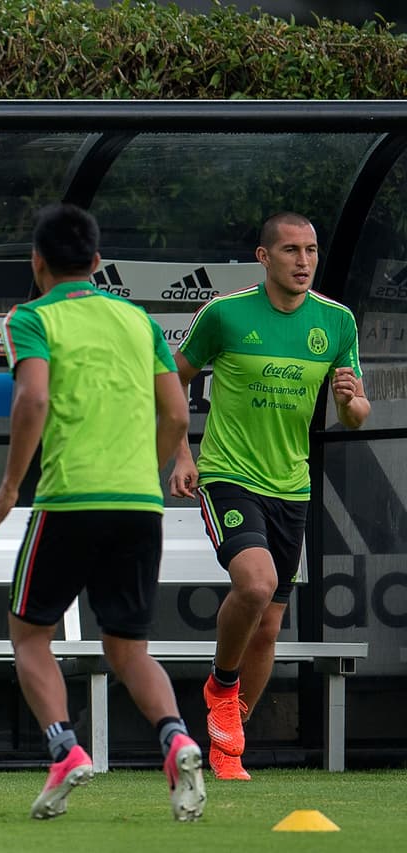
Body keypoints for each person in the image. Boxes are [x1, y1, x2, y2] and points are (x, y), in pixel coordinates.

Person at [0, 203, 205, 822]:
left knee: (29, 635)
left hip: (70, 499)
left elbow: (35, 396)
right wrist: (144, 475)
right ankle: (178, 738)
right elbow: (179, 417)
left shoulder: (30, 317)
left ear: (37, 263)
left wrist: (8, 488)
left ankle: (64, 749)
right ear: (98, 263)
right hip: (138, 505)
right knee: (129, 649)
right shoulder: (137, 319)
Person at [169, 212, 370, 781]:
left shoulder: (336, 322)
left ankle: (228, 747)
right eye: (290, 250)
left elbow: (356, 417)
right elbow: (168, 381)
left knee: (269, 625)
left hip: (292, 485)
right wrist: (183, 454)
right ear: (264, 256)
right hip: (230, 475)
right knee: (253, 584)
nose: (303, 261)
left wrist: (351, 400)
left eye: (310, 250)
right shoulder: (225, 315)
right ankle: (221, 685)